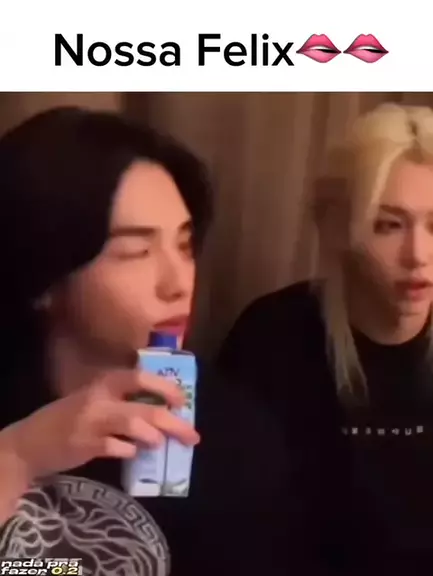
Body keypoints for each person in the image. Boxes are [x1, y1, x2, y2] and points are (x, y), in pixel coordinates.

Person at [0, 107, 288, 576]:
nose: (178, 282)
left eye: (185, 246)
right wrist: (16, 455)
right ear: (43, 275)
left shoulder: (240, 443)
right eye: (137, 251)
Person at [217, 103, 433, 576]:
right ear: (338, 228)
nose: (418, 254)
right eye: (389, 224)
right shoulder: (272, 337)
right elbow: (231, 521)